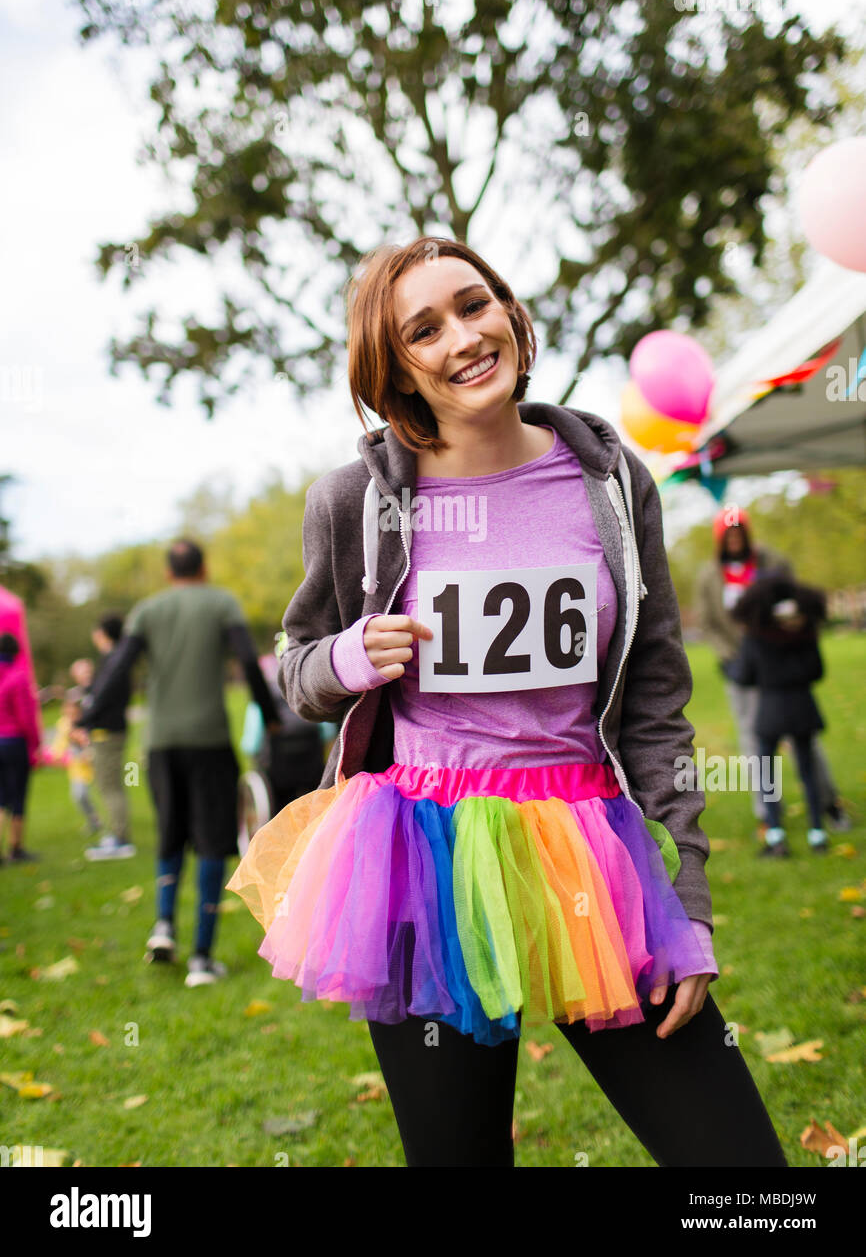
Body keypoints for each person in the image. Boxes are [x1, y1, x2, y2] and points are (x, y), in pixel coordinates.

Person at [228, 236, 787, 1168]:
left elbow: (653, 692)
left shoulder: (609, 480)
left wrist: (687, 889)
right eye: (424, 330)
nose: (463, 337)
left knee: (740, 1171)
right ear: (396, 368)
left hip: (589, 850)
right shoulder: (355, 503)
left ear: (513, 314)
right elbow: (294, 671)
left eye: (474, 304)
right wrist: (349, 655)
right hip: (418, 858)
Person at [73, 540, 281, 987]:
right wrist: (271, 716)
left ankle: (164, 925)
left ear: (169, 573)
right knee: (211, 842)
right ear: (203, 568)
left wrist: (89, 716)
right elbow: (247, 659)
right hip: (210, 741)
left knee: (169, 833)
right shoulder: (222, 602)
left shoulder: (147, 611)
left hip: (160, 744)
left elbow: (117, 668)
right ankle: (202, 961)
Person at [695, 507, 848, 836]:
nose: (735, 540)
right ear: (720, 539)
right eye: (728, 535)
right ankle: (768, 815)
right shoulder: (710, 574)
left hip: (779, 666)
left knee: (802, 738)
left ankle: (827, 802)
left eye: (739, 534)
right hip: (742, 668)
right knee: (754, 741)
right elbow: (708, 622)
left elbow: (797, 606)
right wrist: (732, 658)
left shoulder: (772, 562)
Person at [730, 574, 830, 858]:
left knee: (767, 773)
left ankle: (775, 835)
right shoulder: (805, 631)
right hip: (803, 706)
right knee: (808, 771)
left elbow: (744, 676)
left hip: (770, 709)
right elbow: (817, 671)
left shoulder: (756, 636)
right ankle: (817, 833)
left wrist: (729, 669)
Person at [75, 613, 136, 860]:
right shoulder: (115, 660)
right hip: (110, 730)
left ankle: (120, 839)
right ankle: (117, 834)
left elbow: (103, 696)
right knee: (109, 785)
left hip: (107, 732)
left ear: (103, 634)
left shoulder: (114, 661)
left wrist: (82, 720)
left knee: (109, 786)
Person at [239, 654, 329, 818]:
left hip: (275, 779)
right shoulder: (309, 700)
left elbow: (250, 745)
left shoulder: (261, 706)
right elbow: (327, 733)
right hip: (312, 774)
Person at [0, 632, 42, 864]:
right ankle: (15, 848)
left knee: (0, 797)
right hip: (14, 742)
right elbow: (26, 717)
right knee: (17, 797)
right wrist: (35, 744)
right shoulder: (18, 677)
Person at [51, 687, 103, 840]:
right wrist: (56, 756)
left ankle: (110, 822)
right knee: (79, 796)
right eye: (68, 707)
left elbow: (96, 741)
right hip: (78, 769)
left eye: (74, 707)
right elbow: (59, 745)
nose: (70, 711)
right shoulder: (63, 724)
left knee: (104, 795)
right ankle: (94, 820)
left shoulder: (88, 722)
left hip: (96, 766)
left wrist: (90, 751)